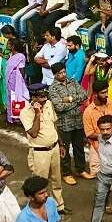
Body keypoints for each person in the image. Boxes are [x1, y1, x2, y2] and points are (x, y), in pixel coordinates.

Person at [20, 83, 69, 214]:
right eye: (41, 96)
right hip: (40, 152)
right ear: (34, 98)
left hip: (54, 148)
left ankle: (59, 206)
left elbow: (54, 125)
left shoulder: (49, 104)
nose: (45, 99)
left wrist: (61, 144)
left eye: (45, 95)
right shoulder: (25, 112)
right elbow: (34, 133)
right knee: (39, 184)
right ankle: (41, 210)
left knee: (56, 180)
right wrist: (37, 113)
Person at [48, 62, 89, 185]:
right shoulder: (53, 88)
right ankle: (66, 173)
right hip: (64, 123)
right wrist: (76, 101)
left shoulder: (73, 82)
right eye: (59, 73)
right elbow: (59, 107)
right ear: (55, 75)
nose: (63, 75)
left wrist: (70, 99)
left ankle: (80, 169)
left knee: (79, 147)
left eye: (64, 72)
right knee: (64, 149)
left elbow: (84, 95)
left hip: (77, 121)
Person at [83, 80, 112, 179]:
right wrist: (106, 135)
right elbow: (89, 133)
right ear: (95, 94)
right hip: (97, 146)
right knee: (97, 175)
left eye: (106, 91)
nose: (106, 95)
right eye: (103, 93)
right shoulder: (88, 112)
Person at [5, 38, 29, 124]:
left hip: (17, 80)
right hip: (10, 80)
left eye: (9, 44)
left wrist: (22, 81)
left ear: (14, 46)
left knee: (17, 96)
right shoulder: (10, 55)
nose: (7, 46)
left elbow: (22, 69)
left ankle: (17, 117)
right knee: (10, 96)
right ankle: (11, 116)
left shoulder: (21, 56)